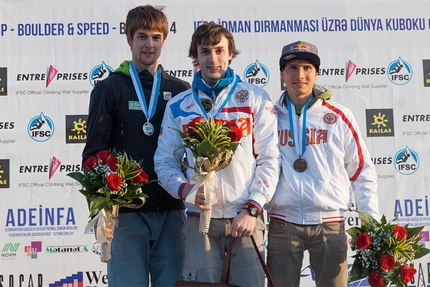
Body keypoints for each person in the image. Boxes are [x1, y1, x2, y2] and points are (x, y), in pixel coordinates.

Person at [154, 23, 280, 287]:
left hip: (244, 218)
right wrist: (186, 190)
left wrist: (252, 207)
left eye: (220, 51)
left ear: (230, 53)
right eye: (205, 51)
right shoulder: (179, 105)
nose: (213, 59)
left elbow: (269, 158)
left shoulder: (254, 98)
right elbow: (164, 161)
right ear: (195, 57)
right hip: (198, 222)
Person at [81, 5, 190, 287]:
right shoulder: (109, 88)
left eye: (156, 37)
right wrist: (99, 211)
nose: (149, 44)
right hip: (125, 216)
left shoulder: (180, 91)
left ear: (164, 40)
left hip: (171, 211)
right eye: (142, 36)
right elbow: (93, 154)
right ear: (129, 39)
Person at [266, 40, 380, 287]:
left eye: (307, 68)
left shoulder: (338, 116)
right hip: (282, 223)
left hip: (329, 224)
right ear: (282, 73)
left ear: (316, 73)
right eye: (292, 67)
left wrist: (370, 222)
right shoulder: (268, 118)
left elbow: (361, 170)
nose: (300, 75)